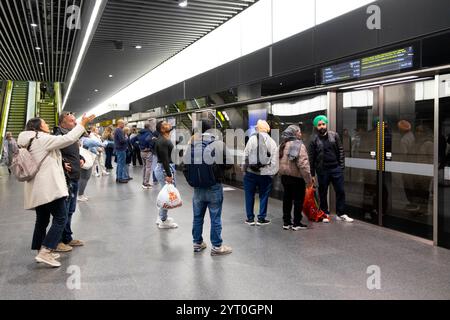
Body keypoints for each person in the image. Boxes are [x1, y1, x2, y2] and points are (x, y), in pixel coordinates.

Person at [17, 114, 95, 267]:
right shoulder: (41, 138)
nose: (47, 125)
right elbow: (67, 139)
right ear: (38, 127)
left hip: (37, 187)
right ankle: (46, 252)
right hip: (49, 186)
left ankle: (40, 249)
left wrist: (61, 164)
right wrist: (83, 123)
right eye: (44, 123)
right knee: (61, 217)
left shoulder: (27, 140)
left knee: (42, 220)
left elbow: (45, 157)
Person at [183, 120, 233, 255]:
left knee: (197, 217)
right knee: (215, 217)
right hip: (214, 186)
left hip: (197, 189)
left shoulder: (191, 146)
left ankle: (197, 243)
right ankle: (217, 247)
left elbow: (185, 168)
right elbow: (229, 164)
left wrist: (193, 182)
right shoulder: (218, 144)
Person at [308, 115, 354, 222]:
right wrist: (312, 174)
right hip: (322, 170)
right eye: (319, 125)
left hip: (336, 169)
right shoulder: (313, 139)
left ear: (326, 124)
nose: (322, 126)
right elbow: (311, 158)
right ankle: (324, 213)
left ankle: (341, 213)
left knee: (340, 191)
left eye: (323, 124)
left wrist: (341, 167)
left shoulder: (334, 135)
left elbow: (341, 151)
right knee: (323, 192)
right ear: (316, 127)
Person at [54, 112, 88, 252]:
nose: (74, 123)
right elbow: (54, 154)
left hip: (73, 176)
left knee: (70, 210)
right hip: (65, 178)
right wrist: (62, 163)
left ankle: (67, 238)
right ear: (62, 123)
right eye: (71, 121)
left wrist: (81, 158)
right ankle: (58, 241)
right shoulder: (59, 137)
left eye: (75, 121)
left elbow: (72, 152)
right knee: (63, 211)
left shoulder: (70, 135)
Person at [243, 120, 278, 226]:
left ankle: (250, 219)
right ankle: (261, 219)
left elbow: (245, 155)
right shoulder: (272, 141)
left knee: (249, 195)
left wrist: (244, 170)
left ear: (258, 128)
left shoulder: (252, 139)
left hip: (251, 172)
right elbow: (274, 160)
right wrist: (271, 173)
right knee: (263, 196)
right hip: (265, 174)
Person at [278, 125, 313, 230]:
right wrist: (308, 180)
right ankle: (297, 223)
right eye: (299, 132)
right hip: (297, 178)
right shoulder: (298, 145)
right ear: (295, 133)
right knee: (298, 200)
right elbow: (303, 165)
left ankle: (286, 222)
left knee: (287, 199)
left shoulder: (282, 144)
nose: (301, 134)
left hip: (285, 177)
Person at [154, 120, 178, 229]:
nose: (169, 124)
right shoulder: (163, 141)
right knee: (167, 195)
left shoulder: (162, 139)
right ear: (163, 129)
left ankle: (161, 217)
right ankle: (163, 220)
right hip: (165, 169)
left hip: (163, 168)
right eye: (166, 124)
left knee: (165, 193)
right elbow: (165, 159)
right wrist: (169, 175)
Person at [131, 122, 155, 189]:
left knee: (145, 167)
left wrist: (138, 146)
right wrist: (150, 147)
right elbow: (151, 142)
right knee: (148, 168)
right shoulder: (150, 134)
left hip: (142, 152)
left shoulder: (139, 134)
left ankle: (143, 182)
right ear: (149, 127)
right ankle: (146, 183)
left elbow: (132, 140)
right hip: (148, 152)